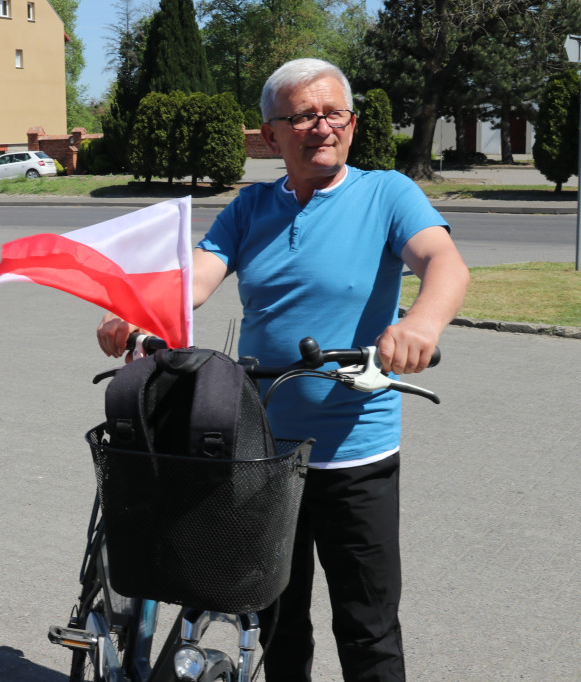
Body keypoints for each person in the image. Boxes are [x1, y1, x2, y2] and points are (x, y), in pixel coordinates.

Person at [97, 58, 469, 681]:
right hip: (264, 456)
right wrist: (130, 311)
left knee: (369, 627)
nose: (321, 127)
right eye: (303, 116)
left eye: (333, 114)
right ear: (271, 135)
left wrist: (420, 326)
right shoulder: (249, 209)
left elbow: (443, 263)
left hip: (357, 454)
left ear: (351, 124)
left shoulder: (387, 193)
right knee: (276, 626)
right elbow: (194, 279)